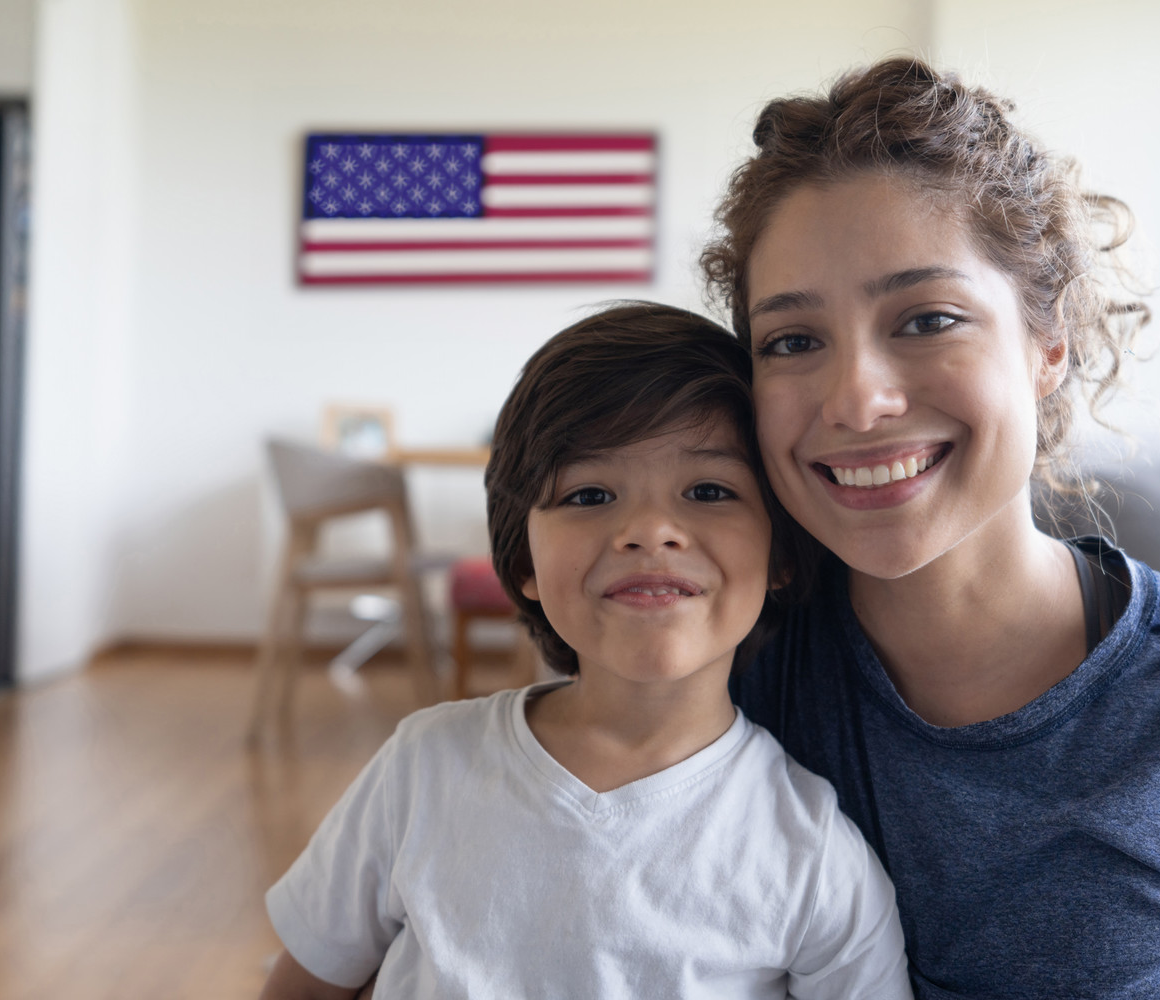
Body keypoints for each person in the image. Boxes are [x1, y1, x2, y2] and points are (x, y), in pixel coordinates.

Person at [701, 56, 1160, 999]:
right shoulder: (719, 685)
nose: (857, 400)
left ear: (1048, 345)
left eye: (927, 319)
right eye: (791, 341)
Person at [257, 302, 912, 1000]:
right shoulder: (420, 770)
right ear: (524, 564)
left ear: (782, 551)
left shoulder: (812, 853)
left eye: (709, 490)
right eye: (590, 493)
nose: (651, 530)